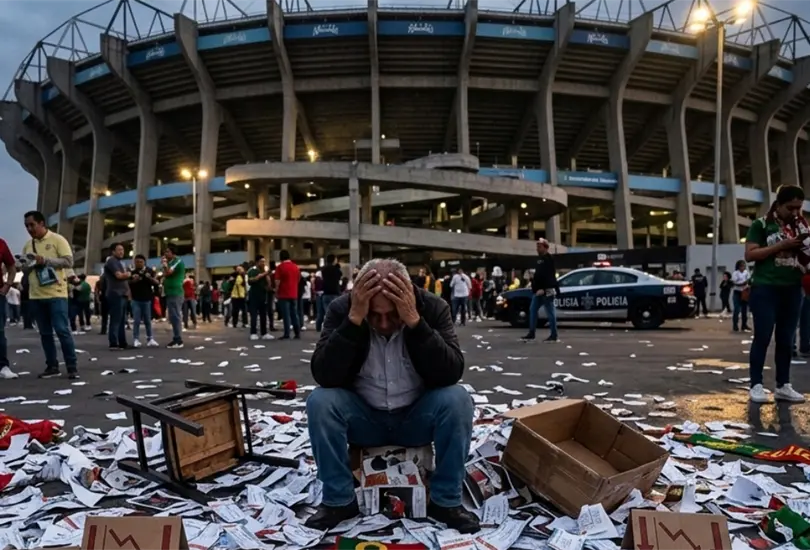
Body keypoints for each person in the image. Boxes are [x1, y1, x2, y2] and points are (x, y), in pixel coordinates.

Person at [305, 258, 478, 534]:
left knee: (457, 400)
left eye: (392, 314)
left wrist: (414, 322)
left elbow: (450, 372)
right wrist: (354, 322)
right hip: (365, 418)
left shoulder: (433, 307)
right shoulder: (342, 309)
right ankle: (339, 500)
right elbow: (325, 376)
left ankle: (446, 501)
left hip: (415, 417)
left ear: (408, 298)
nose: (384, 323)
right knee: (321, 402)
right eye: (375, 315)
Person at [744, 184, 807, 404]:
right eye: (790, 207)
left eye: (799, 208)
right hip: (766, 287)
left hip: (792, 287)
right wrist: (781, 245)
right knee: (762, 335)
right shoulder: (761, 225)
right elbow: (750, 254)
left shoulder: (802, 226)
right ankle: (756, 384)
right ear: (778, 204)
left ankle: (783, 385)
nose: (795, 213)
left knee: (787, 339)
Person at [21, 211, 79, 379]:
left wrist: (45, 260)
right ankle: (52, 366)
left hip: (56, 293)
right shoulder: (28, 245)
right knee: (45, 333)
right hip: (36, 295)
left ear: (42, 223)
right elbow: (24, 269)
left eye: (32, 225)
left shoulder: (57, 240)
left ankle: (71, 366)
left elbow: (68, 262)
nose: (29, 229)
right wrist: (28, 264)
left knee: (62, 330)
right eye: (26, 226)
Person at [523, 238, 559, 342]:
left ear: (545, 247)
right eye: (537, 247)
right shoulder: (539, 260)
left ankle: (553, 334)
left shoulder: (548, 259)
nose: (537, 249)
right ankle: (532, 332)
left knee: (550, 312)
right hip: (538, 290)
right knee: (533, 310)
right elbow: (539, 275)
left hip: (546, 290)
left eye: (539, 246)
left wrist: (543, 289)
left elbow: (549, 276)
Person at [103, 243, 131, 351]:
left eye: (123, 250)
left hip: (122, 293)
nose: (121, 252)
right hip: (115, 293)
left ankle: (122, 342)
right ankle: (113, 343)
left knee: (122, 319)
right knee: (116, 319)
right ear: (113, 251)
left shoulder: (120, 262)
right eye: (119, 250)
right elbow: (118, 276)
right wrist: (128, 274)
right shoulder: (111, 261)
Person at [129, 254, 158, 348]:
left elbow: (156, 282)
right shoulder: (132, 272)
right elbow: (128, 284)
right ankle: (136, 339)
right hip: (135, 299)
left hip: (147, 299)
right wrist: (134, 280)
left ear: (144, 262)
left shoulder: (149, 271)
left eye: (141, 262)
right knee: (136, 320)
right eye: (137, 262)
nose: (139, 264)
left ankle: (150, 338)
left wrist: (148, 277)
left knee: (147, 320)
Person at [161, 246, 186, 349]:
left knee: (175, 316)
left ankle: (178, 340)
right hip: (170, 292)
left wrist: (165, 265)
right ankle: (176, 337)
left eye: (167, 252)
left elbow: (168, 273)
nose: (165, 254)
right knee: (172, 316)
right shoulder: (171, 262)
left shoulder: (178, 261)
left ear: (173, 252)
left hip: (176, 292)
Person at [0, 237, 17, 379]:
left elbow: (12, 266)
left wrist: (7, 285)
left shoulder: (1, 243)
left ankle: (3, 366)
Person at [274, 250, 301, 340]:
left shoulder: (280, 267)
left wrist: (276, 291)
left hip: (284, 293)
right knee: (294, 313)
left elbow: (277, 281)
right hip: (294, 293)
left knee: (286, 315)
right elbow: (298, 279)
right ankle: (297, 332)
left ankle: (287, 333)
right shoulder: (295, 267)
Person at [247, 256, 272, 341]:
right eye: (261, 261)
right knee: (254, 315)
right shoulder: (252, 270)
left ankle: (264, 333)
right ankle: (253, 333)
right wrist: (264, 274)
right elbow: (251, 281)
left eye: (264, 262)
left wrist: (268, 280)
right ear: (257, 262)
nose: (263, 263)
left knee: (263, 315)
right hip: (254, 295)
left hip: (263, 295)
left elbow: (268, 285)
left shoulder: (264, 271)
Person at [318, 254, 342, 332]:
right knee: (335, 312)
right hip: (335, 292)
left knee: (326, 311)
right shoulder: (336, 269)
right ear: (334, 260)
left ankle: (326, 327)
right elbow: (339, 276)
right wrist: (337, 267)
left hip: (326, 292)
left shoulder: (324, 269)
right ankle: (334, 327)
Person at [731, 260, 750, 332]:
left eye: (744, 266)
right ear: (738, 266)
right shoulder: (735, 273)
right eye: (742, 266)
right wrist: (743, 283)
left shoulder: (746, 273)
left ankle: (744, 325)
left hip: (744, 292)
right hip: (737, 292)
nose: (743, 267)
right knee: (737, 309)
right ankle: (735, 325)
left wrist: (745, 283)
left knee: (745, 310)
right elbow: (735, 283)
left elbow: (748, 281)